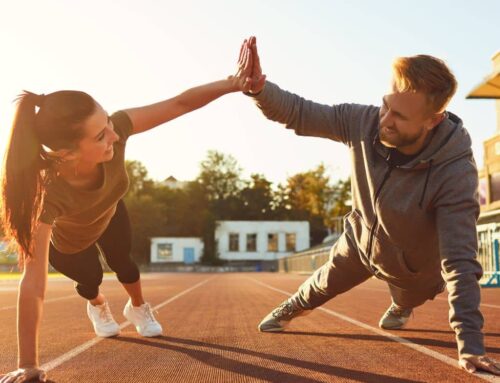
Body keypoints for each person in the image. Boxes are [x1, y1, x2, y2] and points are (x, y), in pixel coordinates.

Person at [239, 36, 500, 376]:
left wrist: (470, 346)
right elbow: (300, 113)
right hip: (360, 244)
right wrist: (259, 89)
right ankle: (292, 307)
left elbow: (460, 260)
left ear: (433, 120)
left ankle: (401, 305)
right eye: (385, 105)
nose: (385, 120)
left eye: (400, 116)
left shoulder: (454, 173)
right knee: (317, 286)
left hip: (414, 269)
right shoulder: (362, 122)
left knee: (409, 298)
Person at [0, 41, 254, 382]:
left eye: (107, 122)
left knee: (126, 265)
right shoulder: (46, 193)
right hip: (70, 243)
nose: (114, 135)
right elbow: (33, 282)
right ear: (66, 154)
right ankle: (98, 303)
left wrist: (233, 83)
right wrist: (28, 365)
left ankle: (137, 308)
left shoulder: (116, 131)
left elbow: (179, 103)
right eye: (100, 136)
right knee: (90, 280)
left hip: (109, 213)